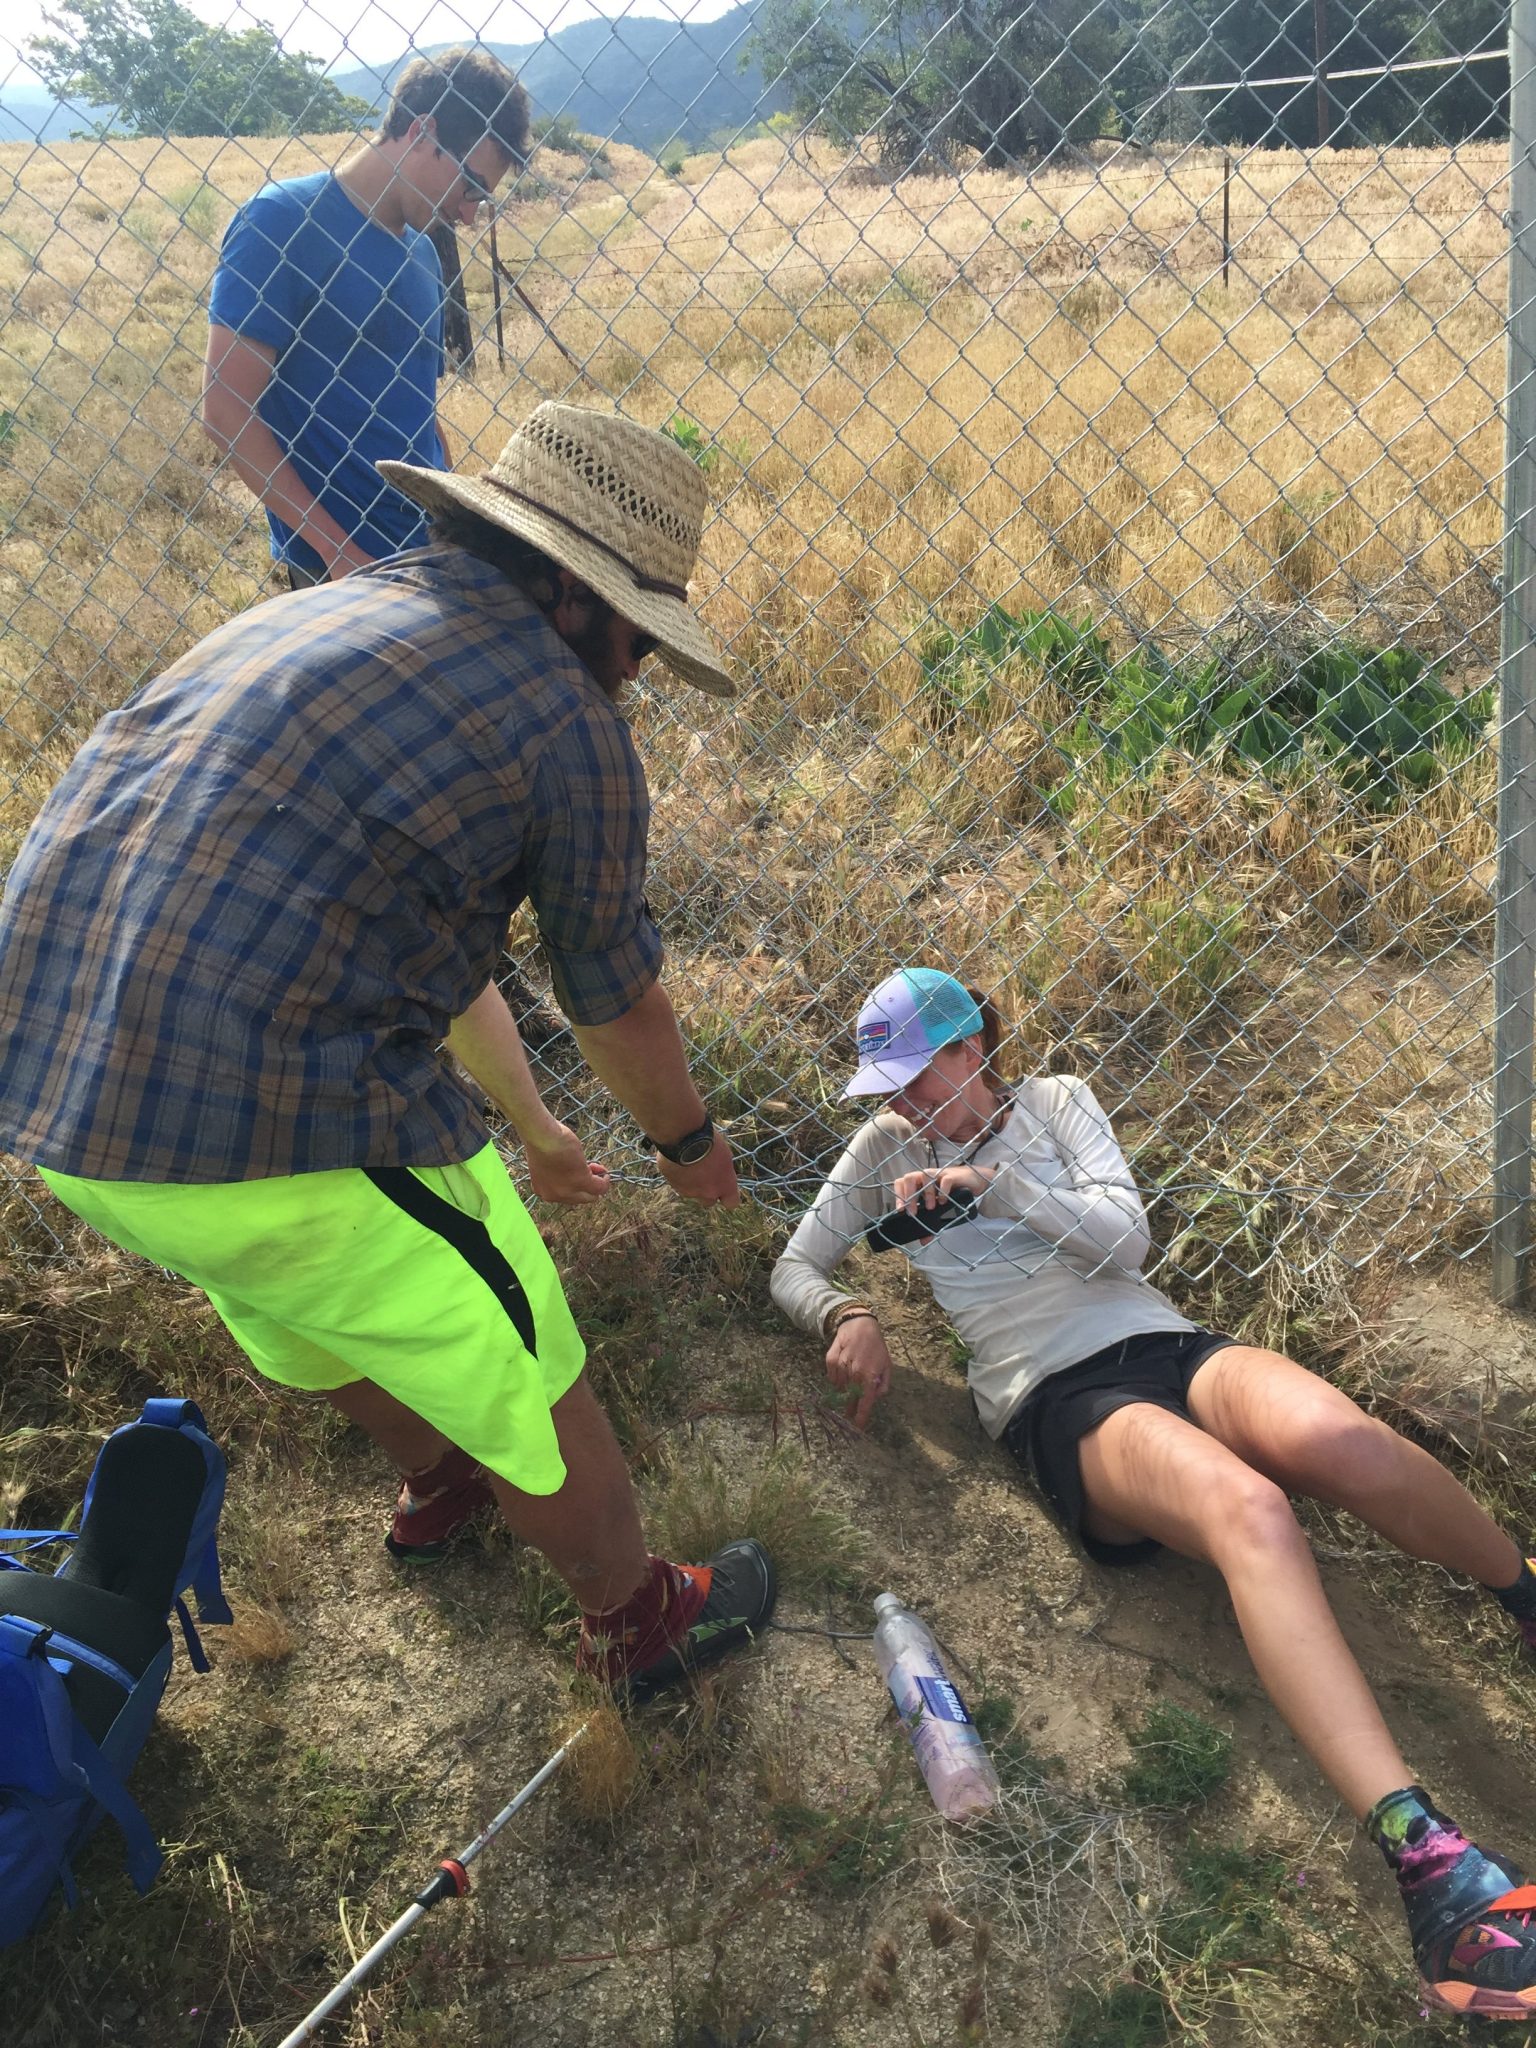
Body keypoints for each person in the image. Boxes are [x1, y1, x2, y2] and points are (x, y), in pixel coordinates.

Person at [0, 401, 775, 1702]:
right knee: (524, 1353)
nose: (639, 666)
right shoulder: (568, 725)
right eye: (643, 630)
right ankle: (640, 1624)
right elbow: (617, 1005)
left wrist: (533, 1133)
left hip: (63, 1109)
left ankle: (438, 1481)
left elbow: (421, 938)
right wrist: (688, 1145)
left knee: (302, 1298)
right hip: (282, 1122)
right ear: (580, 598)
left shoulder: (325, 616)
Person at [771, 965, 1536, 2018]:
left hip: (1169, 1341)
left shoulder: (1055, 1103)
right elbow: (792, 1263)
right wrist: (846, 1308)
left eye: (919, 1076)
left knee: (1342, 1439)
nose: (905, 1103)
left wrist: (999, 1186)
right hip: (1055, 1395)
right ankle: (1429, 1856)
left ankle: (1522, 1590)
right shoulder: (881, 1155)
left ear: (971, 1048)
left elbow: (1127, 1240)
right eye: (890, 1086)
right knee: (1251, 1510)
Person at [202, 46, 529, 589]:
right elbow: (225, 410)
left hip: (430, 552)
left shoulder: (423, 255)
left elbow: (419, 408)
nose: (471, 214)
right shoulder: (281, 222)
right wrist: (338, 552)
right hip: (339, 570)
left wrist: (456, 519)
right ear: (423, 132)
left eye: (483, 200)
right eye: (472, 187)